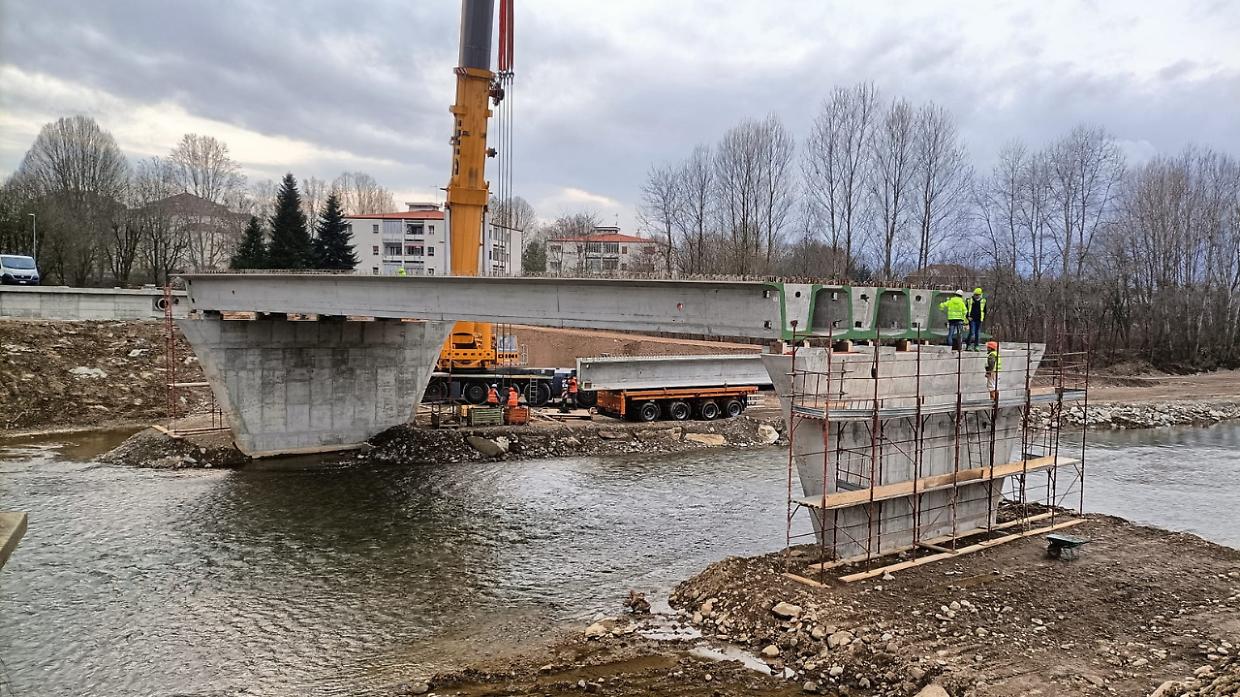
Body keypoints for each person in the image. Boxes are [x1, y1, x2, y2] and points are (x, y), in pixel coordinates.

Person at [965, 287, 987, 351]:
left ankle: (976, 345)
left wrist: (983, 317)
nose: (976, 296)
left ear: (980, 295)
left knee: (977, 333)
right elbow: (966, 310)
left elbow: (984, 310)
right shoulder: (969, 300)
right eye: (975, 295)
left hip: (979, 319)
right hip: (972, 319)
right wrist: (968, 317)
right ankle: (968, 345)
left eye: (978, 295)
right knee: (972, 332)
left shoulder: (983, 301)